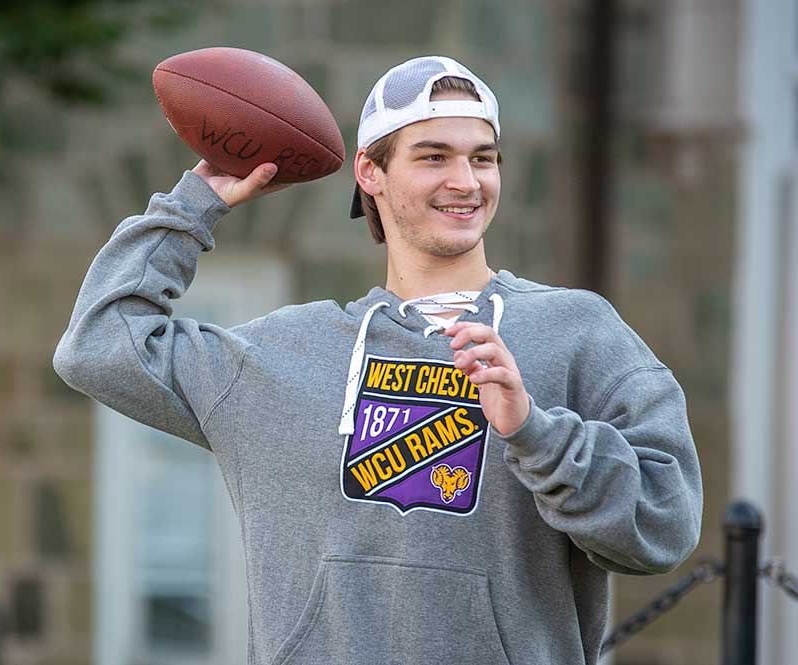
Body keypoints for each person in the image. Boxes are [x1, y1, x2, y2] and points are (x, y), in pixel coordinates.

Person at [53, 55, 702, 664]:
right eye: (433, 156)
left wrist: (536, 430)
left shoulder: (577, 333)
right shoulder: (281, 356)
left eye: (484, 157)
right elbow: (100, 343)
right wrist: (196, 204)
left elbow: (665, 524)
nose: (465, 181)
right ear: (371, 172)